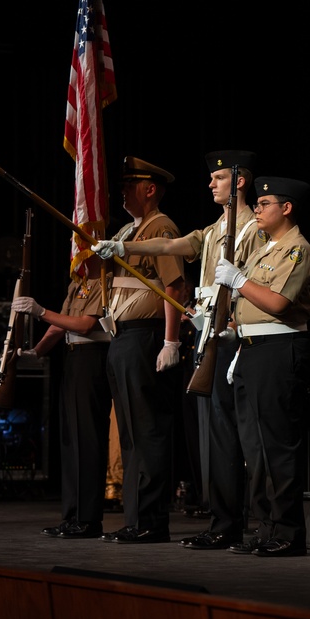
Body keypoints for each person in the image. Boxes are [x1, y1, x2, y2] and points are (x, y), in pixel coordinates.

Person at [116, 149, 264, 551]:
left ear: (239, 181)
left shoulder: (253, 228)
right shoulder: (217, 228)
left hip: (235, 337)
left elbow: (252, 280)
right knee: (213, 438)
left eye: (218, 178)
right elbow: (172, 246)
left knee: (239, 437)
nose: (210, 184)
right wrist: (124, 249)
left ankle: (245, 523)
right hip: (207, 334)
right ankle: (222, 522)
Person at [213, 176, 310, 557]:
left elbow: (277, 304)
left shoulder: (297, 250)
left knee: (278, 445)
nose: (256, 210)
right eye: (256, 204)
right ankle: (265, 527)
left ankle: (289, 532)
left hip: (280, 347)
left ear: (286, 208)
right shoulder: (265, 248)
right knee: (254, 448)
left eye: (264, 204)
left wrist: (239, 281)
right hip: (253, 347)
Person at [90, 156, 187, 543]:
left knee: (147, 430)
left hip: (145, 337)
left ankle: (150, 520)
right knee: (130, 433)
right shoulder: (131, 229)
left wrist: (170, 340)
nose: (123, 191)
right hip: (122, 337)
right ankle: (136, 518)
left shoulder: (161, 227)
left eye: (131, 184)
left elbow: (174, 286)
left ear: (150, 190)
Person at [12, 256, 112, 539]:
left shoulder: (104, 281)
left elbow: (83, 325)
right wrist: (38, 351)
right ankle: (72, 515)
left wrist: (40, 311)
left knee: (87, 439)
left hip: (93, 357)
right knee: (71, 440)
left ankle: (88, 519)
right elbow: (60, 325)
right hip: (72, 357)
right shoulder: (78, 282)